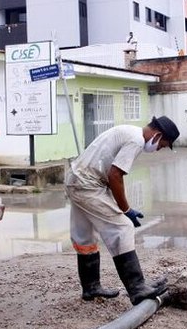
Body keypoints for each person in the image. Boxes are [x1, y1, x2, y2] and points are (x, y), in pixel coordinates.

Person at [65, 116, 179, 305]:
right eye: (162, 145)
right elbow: (115, 175)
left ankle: (90, 287)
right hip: (88, 185)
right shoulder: (136, 140)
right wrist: (126, 209)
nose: (158, 149)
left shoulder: (128, 131)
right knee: (123, 227)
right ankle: (137, 288)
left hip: (75, 180)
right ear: (158, 135)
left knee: (84, 236)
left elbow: (111, 171)